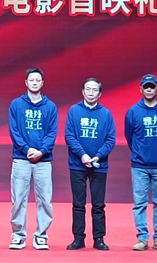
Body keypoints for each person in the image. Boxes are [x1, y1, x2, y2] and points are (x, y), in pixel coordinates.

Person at [8, 68, 58, 250]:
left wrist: (41, 151)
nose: (35, 82)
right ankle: (18, 235)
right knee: (18, 199)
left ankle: (41, 236)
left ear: (42, 83)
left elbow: (52, 133)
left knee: (45, 200)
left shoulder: (50, 107)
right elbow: (14, 131)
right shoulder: (16, 104)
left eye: (38, 80)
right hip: (21, 158)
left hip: (43, 160)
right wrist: (28, 149)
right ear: (26, 82)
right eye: (32, 80)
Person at [125, 74, 157, 252]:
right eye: (145, 86)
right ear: (140, 89)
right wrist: (140, 152)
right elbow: (129, 136)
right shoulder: (133, 111)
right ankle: (142, 238)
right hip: (139, 165)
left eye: (152, 87)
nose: (148, 89)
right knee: (139, 204)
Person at [64, 78, 116, 251]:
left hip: (99, 166)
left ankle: (99, 238)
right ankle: (78, 238)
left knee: (98, 205)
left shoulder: (106, 114)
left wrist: (98, 156)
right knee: (78, 204)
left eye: (94, 90)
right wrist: (83, 155)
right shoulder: (74, 110)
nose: (91, 93)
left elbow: (110, 139)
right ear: (82, 91)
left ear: (99, 94)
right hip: (77, 164)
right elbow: (69, 136)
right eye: (88, 89)